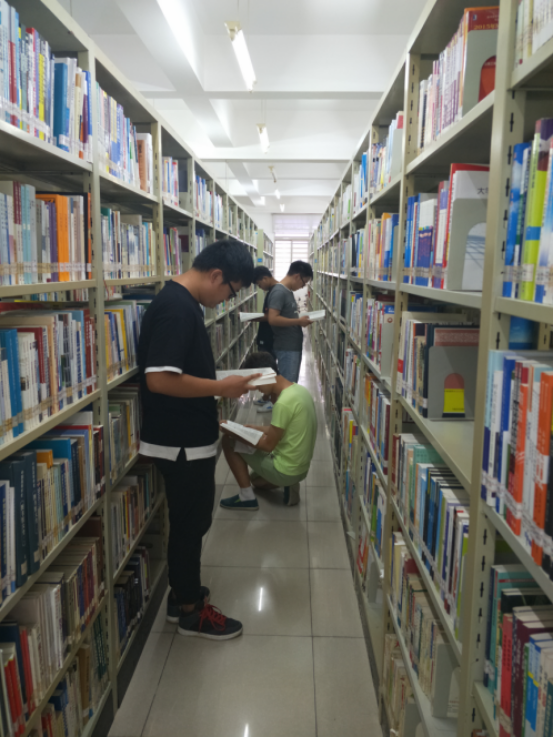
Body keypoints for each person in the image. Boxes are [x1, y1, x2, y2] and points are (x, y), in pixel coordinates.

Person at [138, 240, 262, 641]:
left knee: (192, 521)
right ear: (216, 275)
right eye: (231, 291)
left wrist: (219, 384)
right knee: (190, 524)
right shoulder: (176, 308)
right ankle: (191, 613)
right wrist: (221, 388)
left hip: (188, 437)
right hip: (180, 441)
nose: (227, 300)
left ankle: (183, 593)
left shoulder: (184, 303)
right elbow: (159, 379)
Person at [220, 351, 318, 510]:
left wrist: (237, 433)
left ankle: (246, 498)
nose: (257, 389)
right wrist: (254, 428)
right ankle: (290, 483)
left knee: (228, 441)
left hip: (286, 470)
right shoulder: (300, 391)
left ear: (264, 376)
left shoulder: (283, 403)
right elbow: (285, 428)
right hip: (301, 469)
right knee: (256, 481)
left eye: (257, 384)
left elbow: (267, 446)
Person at [267, 261, 314, 383]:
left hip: (291, 347)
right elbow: (272, 318)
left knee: (291, 384)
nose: (303, 287)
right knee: (288, 386)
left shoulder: (287, 291)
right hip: (286, 348)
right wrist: (298, 321)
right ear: (297, 276)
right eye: (304, 282)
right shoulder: (279, 292)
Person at [251, 266, 278, 413]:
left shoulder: (275, 292)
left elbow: (271, 317)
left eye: (259, 284)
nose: (260, 287)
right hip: (266, 336)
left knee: (269, 368)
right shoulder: (271, 291)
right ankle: (267, 397)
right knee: (267, 368)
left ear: (265, 278)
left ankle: (272, 400)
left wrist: (252, 317)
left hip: (269, 338)